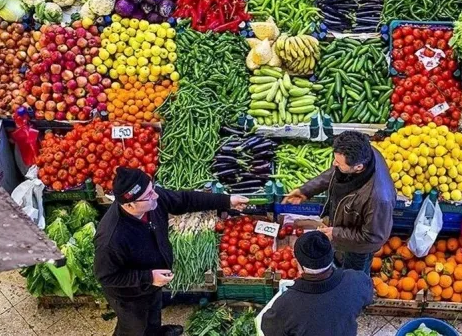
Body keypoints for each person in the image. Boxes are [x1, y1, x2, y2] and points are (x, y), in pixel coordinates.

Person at [94, 167, 249, 336]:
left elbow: (185, 200)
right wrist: (148, 277)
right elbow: (106, 277)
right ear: (130, 204)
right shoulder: (111, 238)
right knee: (135, 327)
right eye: (149, 195)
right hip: (130, 295)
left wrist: (226, 200)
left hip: (152, 283)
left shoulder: (151, 200)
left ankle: (156, 332)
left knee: (153, 312)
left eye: (152, 188)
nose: (156, 196)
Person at [283, 130, 395, 274]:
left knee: (352, 276)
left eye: (339, 162)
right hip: (344, 228)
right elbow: (335, 173)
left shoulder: (378, 199)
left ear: (358, 167)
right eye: (335, 159)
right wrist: (306, 190)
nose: (334, 164)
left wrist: (336, 233)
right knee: (338, 262)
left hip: (357, 249)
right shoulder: (365, 153)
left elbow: (373, 238)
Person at [261, 231, 373, 336]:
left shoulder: (285, 306)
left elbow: (268, 329)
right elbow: (367, 298)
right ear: (331, 256)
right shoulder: (357, 281)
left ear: (299, 265)